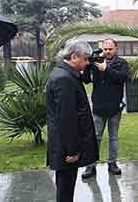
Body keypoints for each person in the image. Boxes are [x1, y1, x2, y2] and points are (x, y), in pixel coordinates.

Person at [46, 41, 99, 202]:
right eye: (85, 59)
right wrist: (72, 150)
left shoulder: (66, 73)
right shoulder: (64, 79)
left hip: (65, 144)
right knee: (65, 190)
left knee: (66, 188)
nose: (87, 62)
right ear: (74, 56)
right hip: (66, 147)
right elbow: (66, 117)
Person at [81, 39, 129, 179]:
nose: (107, 51)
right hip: (98, 106)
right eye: (105, 49)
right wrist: (89, 65)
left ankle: (112, 163)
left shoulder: (121, 63)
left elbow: (123, 77)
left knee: (113, 137)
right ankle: (91, 165)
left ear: (116, 49)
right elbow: (86, 80)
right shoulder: (96, 61)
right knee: (95, 137)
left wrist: (106, 69)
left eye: (110, 49)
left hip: (115, 106)